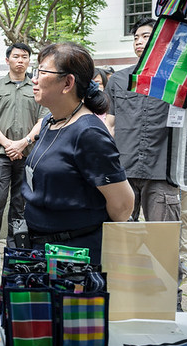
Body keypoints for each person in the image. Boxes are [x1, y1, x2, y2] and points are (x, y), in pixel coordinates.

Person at [24, 42, 134, 264]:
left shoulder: (88, 133)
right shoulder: (50, 121)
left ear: (68, 83)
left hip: (73, 258)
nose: (34, 80)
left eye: (42, 72)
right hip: (40, 249)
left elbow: (123, 206)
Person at [0, 43, 47, 265]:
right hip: (1, 154)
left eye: (25, 57)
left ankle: (15, 248)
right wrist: (8, 143)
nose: (20, 60)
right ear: (7, 60)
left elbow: (43, 120)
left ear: (29, 61)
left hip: (27, 155)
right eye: (16, 56)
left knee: (20, 204)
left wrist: (23, 143)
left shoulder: (37, 87)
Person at [105, 18, 179, 224]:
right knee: (120, 233)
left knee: (162, 234)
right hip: (122, 169)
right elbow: (109, 124)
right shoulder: (119, 79)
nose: (138, 41)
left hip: (162, 170)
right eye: (136, 37)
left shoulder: (177, 79)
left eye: (146, 36)